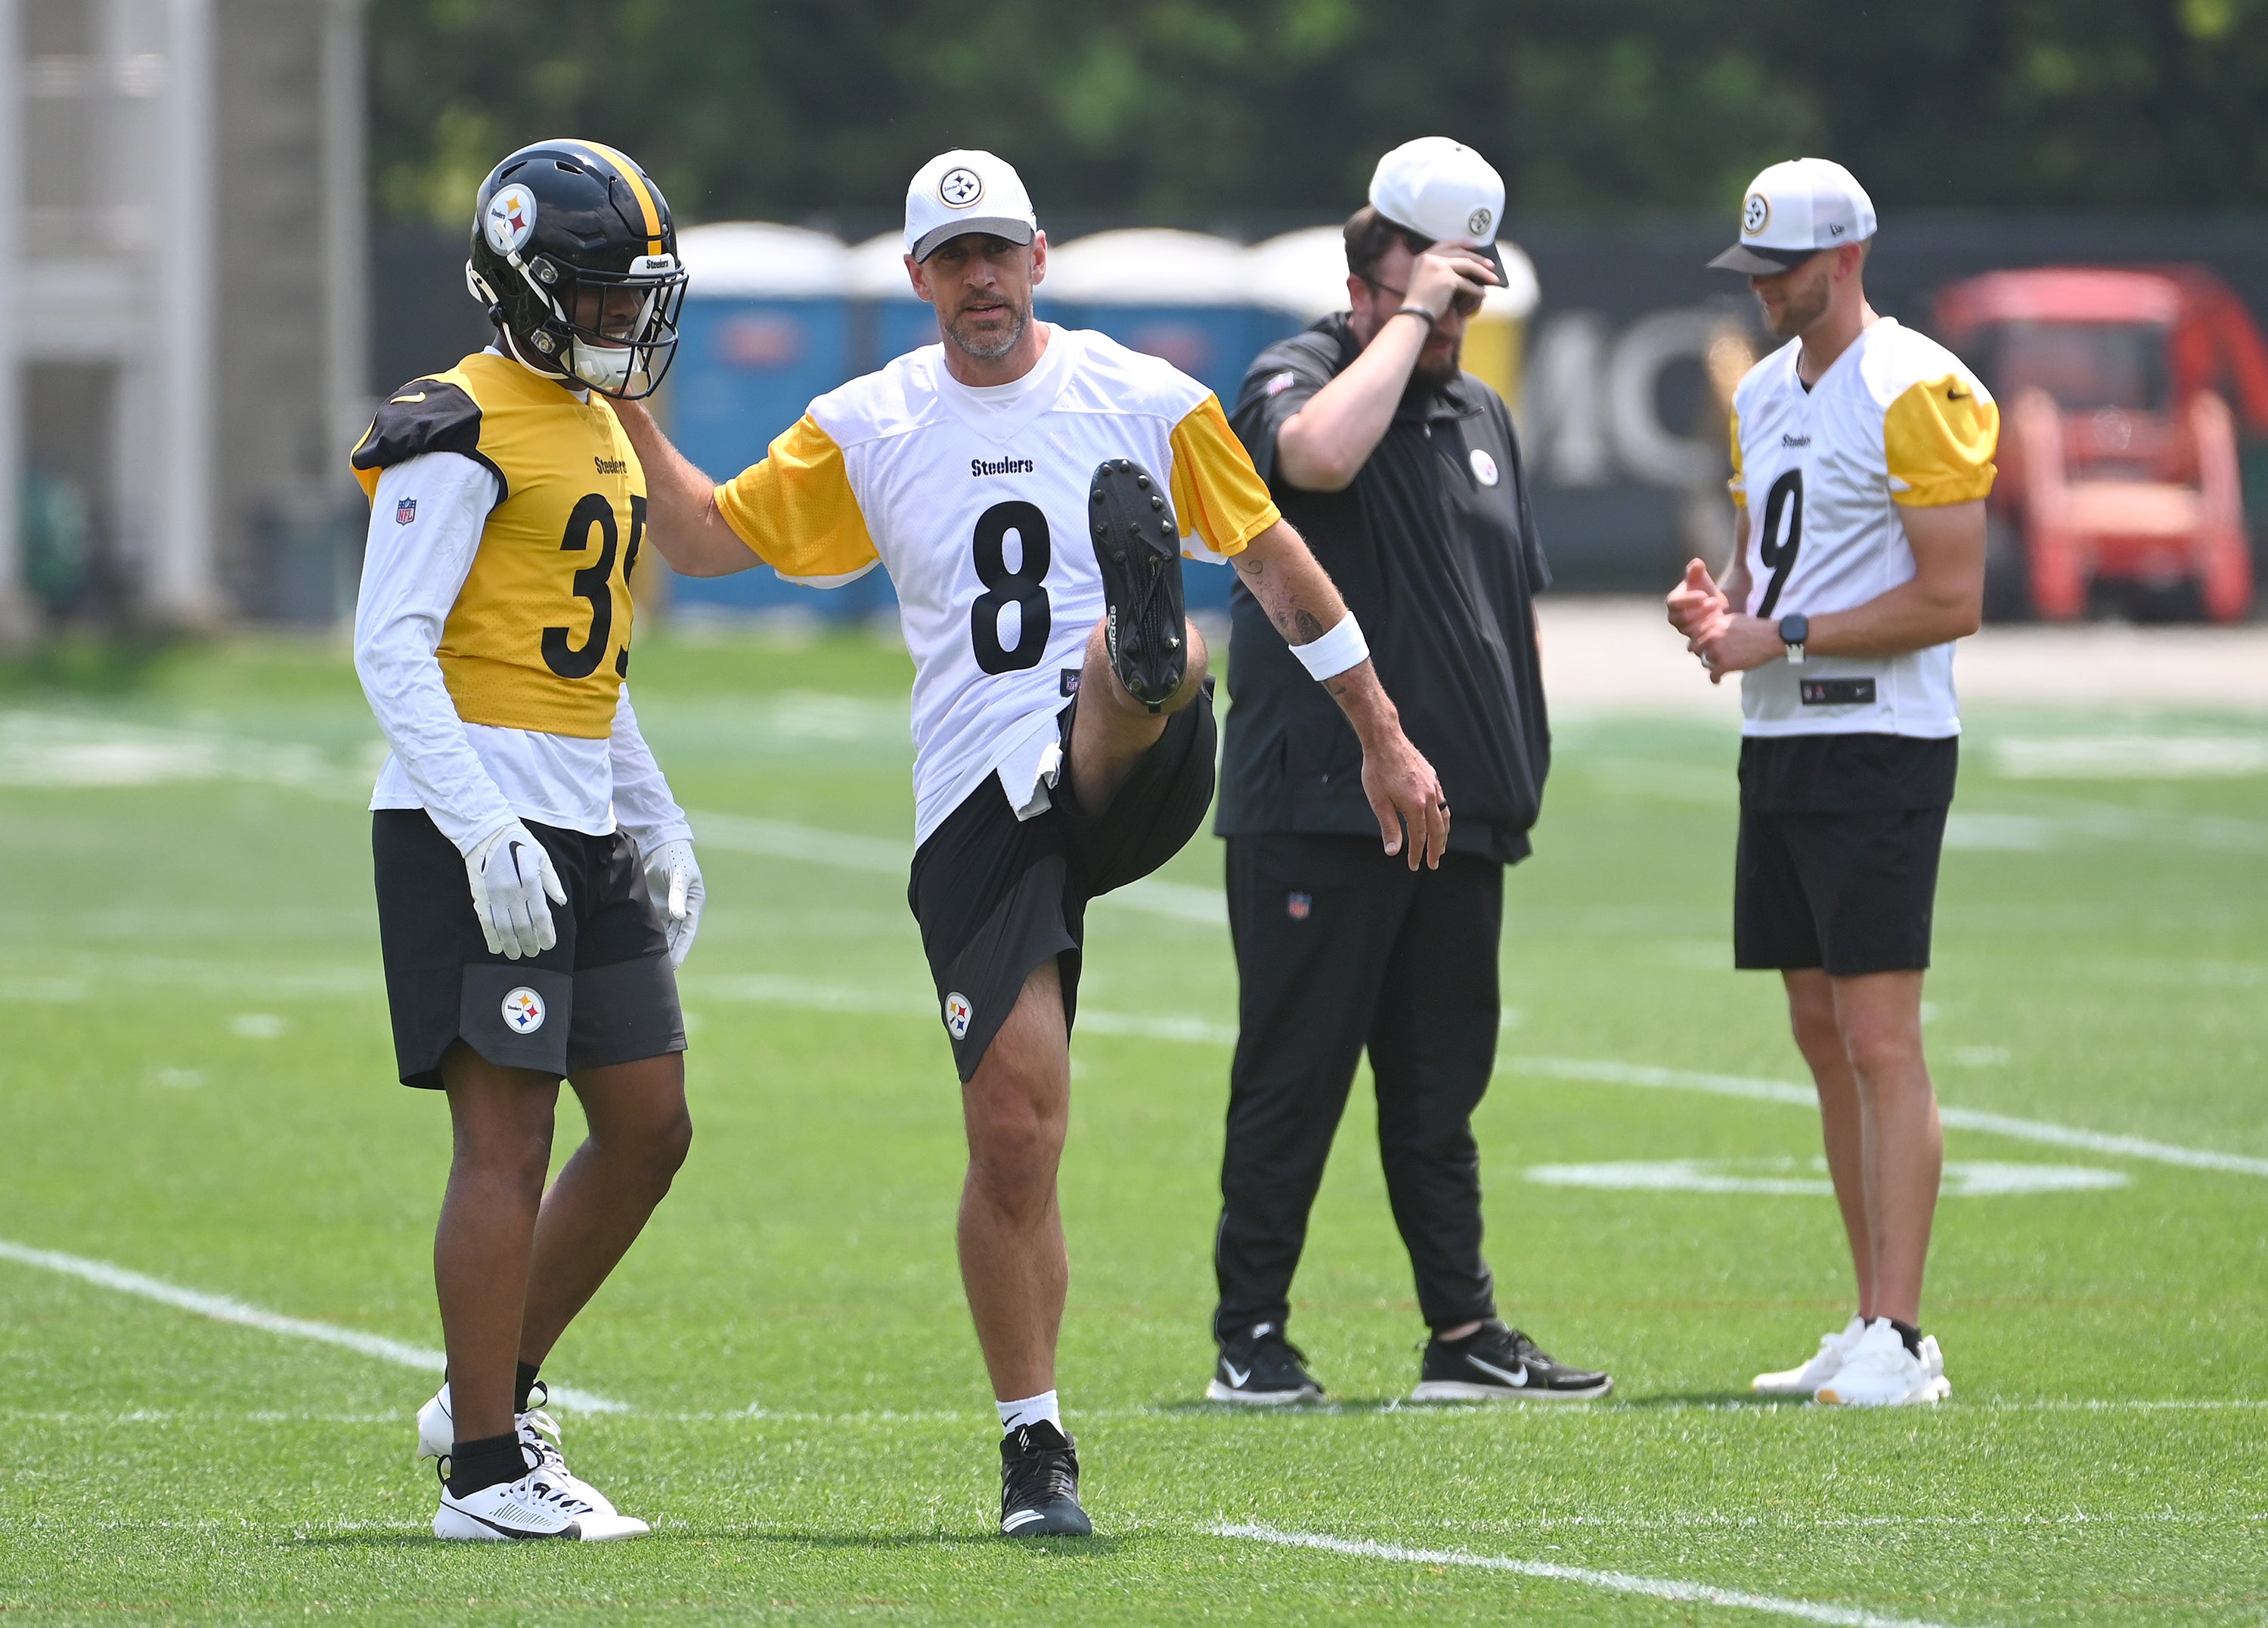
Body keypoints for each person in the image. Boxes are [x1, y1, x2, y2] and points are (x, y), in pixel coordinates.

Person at [614, 148, 1447, 1537]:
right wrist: (628, 402)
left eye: (999, 251)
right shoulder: (867, 422)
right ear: (916, 278)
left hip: (1135, 760)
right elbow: (703, 540)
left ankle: (1131, 638)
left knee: (1150, 657)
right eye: (954, 257)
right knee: (1014, 1133)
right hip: (980, 804)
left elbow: (1277, 564)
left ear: (1041, 257)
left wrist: (1382, 731)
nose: (981, 278)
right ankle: (1034, 1449)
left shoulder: (1142, 398)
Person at [1207, 138, 1610, 1407]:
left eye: (1466, 298)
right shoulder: (1296, 372)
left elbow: (1508, 603)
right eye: (1430, 291)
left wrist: (1512, 760)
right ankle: (1250, 1334)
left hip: (1462, 815)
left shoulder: (1481, 410)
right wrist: (1412, 319)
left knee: (1442, 1088)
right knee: (1295, 1074)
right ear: (1366, 281)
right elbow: (1316, 457)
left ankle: (1463, 1333)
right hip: (1320, 805)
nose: (1452, 319)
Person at [350, 138, 708, 1539]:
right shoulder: (454, 418)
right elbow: (392, 643)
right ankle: (487, 1474)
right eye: (609, 295)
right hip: (472, 821)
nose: (632, 321)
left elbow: (587, 666)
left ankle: (489, 1384)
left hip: (579, 809)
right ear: (532, 285)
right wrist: (482, 822)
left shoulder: (601, 423)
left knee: (650, 1124)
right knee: (503, 1143)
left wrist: (654, 806)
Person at [1668, 157, 1998, 1406]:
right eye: (1753, 267)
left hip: (1882, 741)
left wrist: (1784, 636)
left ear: (1847, 257)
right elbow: (1765, 571)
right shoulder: (1759, 388)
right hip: (1784, 741)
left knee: (1877, 1036)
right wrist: (1722, 610)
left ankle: (1905, 1338)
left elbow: (1951, 598)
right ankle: (1864, 1316)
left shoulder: (1919, 385)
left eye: (1784, 268)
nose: (1764, 288)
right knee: (1818, 1036)